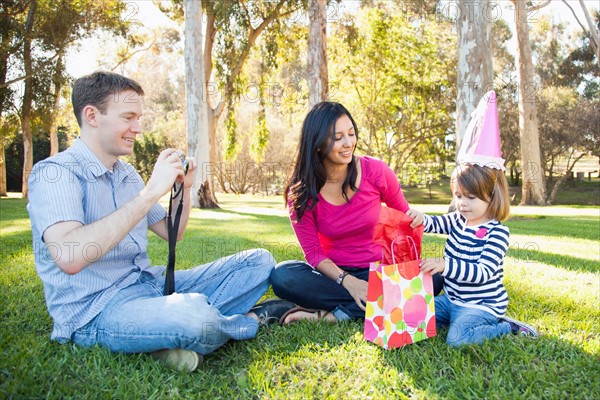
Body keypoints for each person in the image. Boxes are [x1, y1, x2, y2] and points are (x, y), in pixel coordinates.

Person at [27, 71, 293, 372]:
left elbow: (173, 232)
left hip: (149, 285)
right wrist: (151, 191)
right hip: (96, 310)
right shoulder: (56, 173)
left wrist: (183, 188)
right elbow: (70, 256)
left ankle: (162, 337)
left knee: (258, 261)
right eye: (129, 117)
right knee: (195, 318)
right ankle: (247, 321)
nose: (137, 128)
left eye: (139, 118)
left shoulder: (126, 175)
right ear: (92, 115)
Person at [270, 101, 442, 324]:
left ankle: (335, 315)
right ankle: (382, 303)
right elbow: (314, 254)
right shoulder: (301, 193)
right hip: (335, 276)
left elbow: (404, 221)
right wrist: (350, 282)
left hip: (383, 271)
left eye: (351, 134)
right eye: (337, 137)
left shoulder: (376, 171)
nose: (348, 143)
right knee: (283, 276)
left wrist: (415, 221)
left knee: (435, 277)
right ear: (317, 143)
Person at [418, 91, 538, 346]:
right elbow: (435, 223)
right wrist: (417, 217)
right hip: (452, 300)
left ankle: (506, 327)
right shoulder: (458, 220)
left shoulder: (497, 233)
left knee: (457, 340)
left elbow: (483, 272)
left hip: (482, 305)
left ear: (491, 197)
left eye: (470, 198)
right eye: (458, 196)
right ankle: (449, 318)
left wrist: (445, 266)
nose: (462, 204)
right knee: (416, 313)